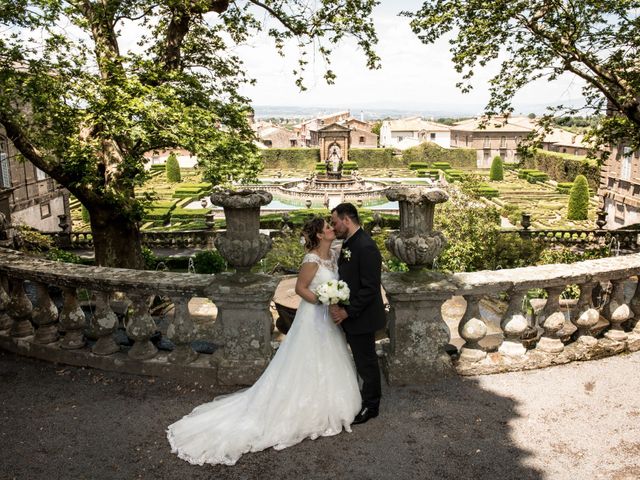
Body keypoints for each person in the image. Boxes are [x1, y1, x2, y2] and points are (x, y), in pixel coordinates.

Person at [166, 217, 360, 466]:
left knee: (329, 356)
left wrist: (335, 298)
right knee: (305, 358)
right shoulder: (311, 259)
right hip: (313, 316)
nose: (333, 229)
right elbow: (301, 288)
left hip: (327, 318)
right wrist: (323, 300)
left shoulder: (333, 255)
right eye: (328, 227)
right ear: (320, 235)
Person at [330, 202, 386, 425]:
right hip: (354, 316)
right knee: (362, 361)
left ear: (347, 220)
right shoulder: (349, 243)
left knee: (367, 362)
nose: (333, 227)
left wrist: (347, 312)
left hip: (363, 317)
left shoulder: (366, 246)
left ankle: (372, 407)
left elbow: (370, 288)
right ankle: (362, 399)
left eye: (335, 222)